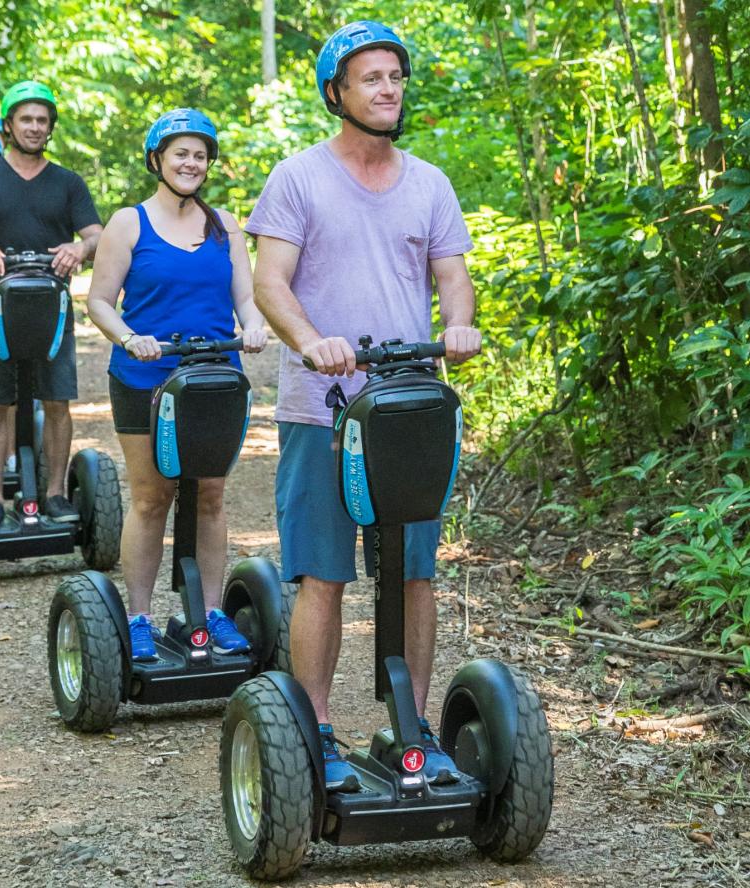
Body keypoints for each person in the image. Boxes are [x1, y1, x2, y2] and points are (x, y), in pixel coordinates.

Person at [246, 21, 483, 789]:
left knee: (416, 572)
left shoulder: (430, 183)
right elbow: (270, 282)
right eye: (371, 79)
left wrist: (459, 323)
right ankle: (313, 729)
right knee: (324, 573)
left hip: (409, 408)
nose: (388, 90)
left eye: (395, 76)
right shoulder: (299, 178)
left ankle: (410, 728)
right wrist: (313, 340)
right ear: (336, 94)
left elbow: (452, 275)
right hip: (324, 408)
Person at [87, 108, 268, 659]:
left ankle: (210, 613)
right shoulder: (128, 222)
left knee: (209, 495)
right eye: (181, 153)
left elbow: (245, 295)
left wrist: (254, 324)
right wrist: (128, 337)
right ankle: (138, 618)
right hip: (146, 377)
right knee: (152, 497)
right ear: (157, 160)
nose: (192, 163)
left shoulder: (225, 225)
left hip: (214, 379)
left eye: (200, 155)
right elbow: (98, 300)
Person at [0, 81, 103, 529]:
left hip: (50, 313)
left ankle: (53, 495)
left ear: (50, 128)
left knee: (56, 401)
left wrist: (79, 249)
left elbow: (96, 234)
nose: (34, 127)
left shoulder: (67, 182)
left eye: (42, 120)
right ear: (8, 126)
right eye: (26, 119)